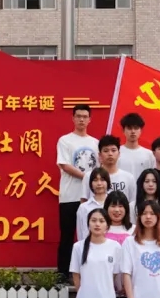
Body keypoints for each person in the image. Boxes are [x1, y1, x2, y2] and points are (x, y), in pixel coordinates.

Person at [56, 104, 101, 274]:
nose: (82, 119)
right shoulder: (65, 140)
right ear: (73, 118)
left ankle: (88, 271)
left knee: (92, 234)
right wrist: (88, 178)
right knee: (67, 235)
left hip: (91, 197)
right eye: (78, 116)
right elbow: (65, 165)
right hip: (70, 196)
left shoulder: (95, 143)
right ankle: (63, 273)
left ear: (90, 120)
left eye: (85, 117)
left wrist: (93, 181)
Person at [75, 168, 111, 243]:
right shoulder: (84, 207)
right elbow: (81, 232)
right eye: (95, 180)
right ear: (91, 184)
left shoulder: (113, 205)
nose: (99, 183)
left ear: (108, 182)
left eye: (102, 180)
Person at [97, 135, 136, 202]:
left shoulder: (129, 178)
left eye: (113, 150)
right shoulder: (90, 176)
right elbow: (85, 203)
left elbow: (132, 202)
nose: (110, 154)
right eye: (106, 151)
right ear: (100, 155)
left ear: (119, 154)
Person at [117, 113, 156, 177]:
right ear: (123, 130)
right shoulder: (116, 153)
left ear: (141, 131)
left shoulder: (149, 155)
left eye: (136, 128)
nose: (133, 131)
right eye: (129, 128)